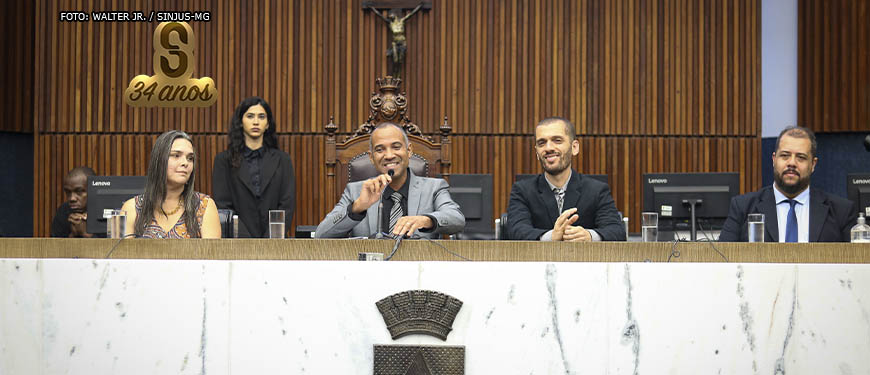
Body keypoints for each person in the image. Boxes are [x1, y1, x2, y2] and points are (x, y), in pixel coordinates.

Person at [315, 122, 465, 238]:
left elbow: (457, 219)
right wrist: (357, 208)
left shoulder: (434, 188)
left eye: (396, 147)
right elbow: (322, 234)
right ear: (371, 157)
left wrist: (426, 220)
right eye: (380, 150)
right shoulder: (355, 191)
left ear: (409, 151)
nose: (389, 155)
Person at [719, 126, 857, 242]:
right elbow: (722, 261)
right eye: (785, 155)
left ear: (813, 164)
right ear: (774, 159)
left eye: (801, 157)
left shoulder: (841, 212)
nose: (791, 163)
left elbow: (856, 266)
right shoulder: (743, 207)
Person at [507, 117, 625, 241]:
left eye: (557, 140)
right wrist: (551, 237)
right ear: (537, 152)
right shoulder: (522, 191)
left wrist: (589, 236)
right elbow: (516, 232)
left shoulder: (597, 190)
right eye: (542, 143)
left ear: (574, 147)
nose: (548, 148)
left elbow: (616, 232)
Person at [212, 97, 295, 238]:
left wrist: (269, 241)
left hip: (275, 242)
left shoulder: (283, 160)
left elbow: (286, 206)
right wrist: (248, 243)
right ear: (241, 121)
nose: (256, 122)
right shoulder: (223, 161)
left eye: (261, 117)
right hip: (237, 243)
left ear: (268, 123)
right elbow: (224, 207)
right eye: (250, 116)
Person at [121, 130, 221, 238]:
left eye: (190, 158)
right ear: (159, 161)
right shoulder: (132, 208)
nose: (185, 163)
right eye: (176, 155)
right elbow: (122, 254)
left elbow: (212, 254)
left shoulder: (204, 206)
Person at [50, 166, 98, 238]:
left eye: (79, 191)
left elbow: (116, 247)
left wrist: (87, 234)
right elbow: (53, 246)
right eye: (68, 192)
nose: (72, 198)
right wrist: (72, 235)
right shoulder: (64, 211)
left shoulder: (109, 212)